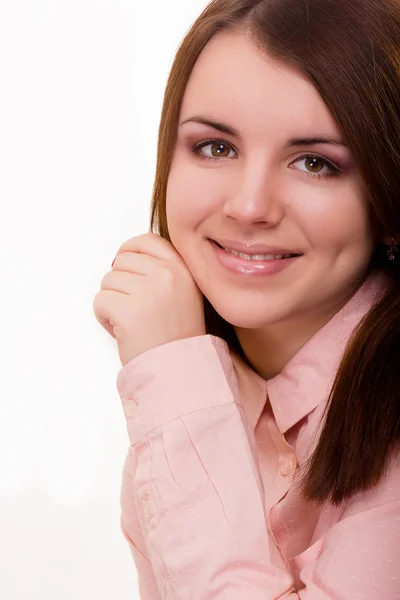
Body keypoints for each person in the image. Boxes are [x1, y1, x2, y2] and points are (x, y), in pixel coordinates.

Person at [107, 0, 400, 597]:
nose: (248, 206)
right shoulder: (199, 394)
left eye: (315, 163)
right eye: (216, 148)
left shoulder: (178, 391)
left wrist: (174, 383)